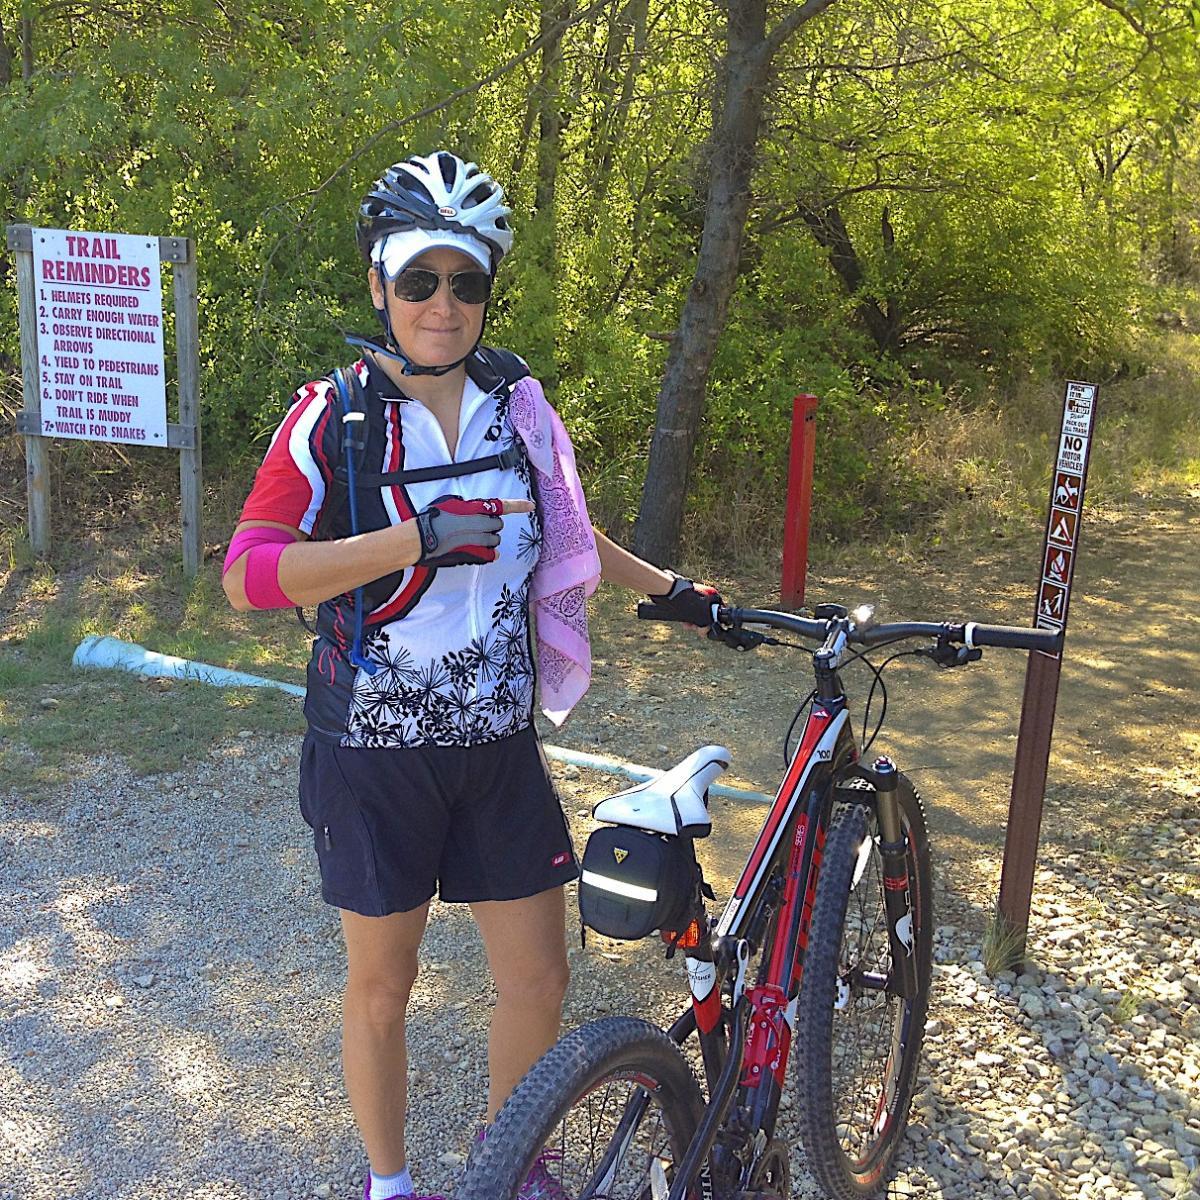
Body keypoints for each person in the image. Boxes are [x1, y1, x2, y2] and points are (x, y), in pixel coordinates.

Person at [222, 150, 721, 1200]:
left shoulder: (517, 404)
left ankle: (512, 1165)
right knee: (382, 985)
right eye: (419, 280)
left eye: (467, 282)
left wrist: (672, 587)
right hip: (372, 752)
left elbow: (571, 537)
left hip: (495, 746)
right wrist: (410, 540)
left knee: (539, 980)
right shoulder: (334, 418)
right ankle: (393, 1186)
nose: (443, 305)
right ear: (378, 286)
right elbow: (250, 576)